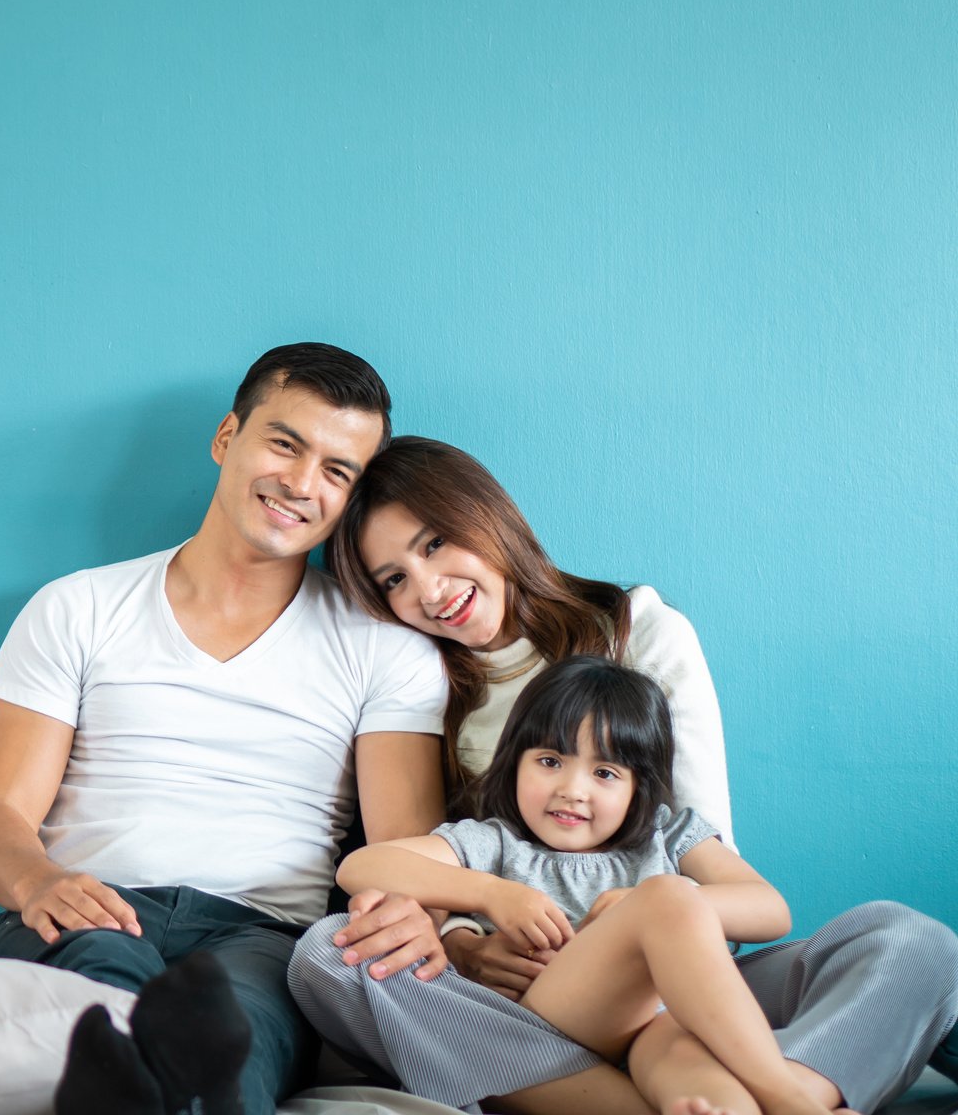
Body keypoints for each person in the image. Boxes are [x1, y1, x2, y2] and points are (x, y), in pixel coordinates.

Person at [288, 436, 958, 1115]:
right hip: (532, 1001)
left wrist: (648, 918)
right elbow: (413, 866)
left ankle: (778, 1097)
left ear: (486, 517)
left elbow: (724, 882)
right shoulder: (422, 688)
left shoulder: (641, 629)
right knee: (327, 954)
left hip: (686, 987)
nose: (428, 590)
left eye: (434, 544)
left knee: (911, 942)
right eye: (393, 579)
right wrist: (466, 941)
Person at [0, 343, 451, 1115]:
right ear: (228, 438)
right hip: (85, 905)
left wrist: (412, 914)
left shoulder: (388, 650)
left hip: (260, 937)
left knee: (231, 1029)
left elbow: (406, 856)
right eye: (285, 444)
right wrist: (40, 882)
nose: (299, 482)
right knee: (102, 991)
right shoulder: (78, 608)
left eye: (336, 470)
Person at [346, 654, 838, 1115]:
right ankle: (789, 1098)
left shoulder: (667, 835)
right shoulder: (494, 843)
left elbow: (770, 909)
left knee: (705, 1086)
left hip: (659, 1027)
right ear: (515, 760)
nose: (572, 789)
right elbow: (363, 866)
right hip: (551, 1026)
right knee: (667, 898)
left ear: (637, 786)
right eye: (550, 761)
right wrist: (493, 894)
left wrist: (642, 908)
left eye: (604, 772)